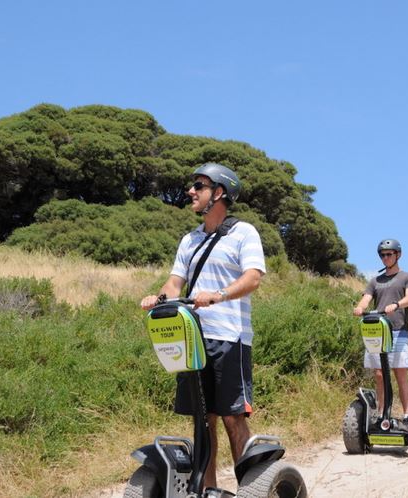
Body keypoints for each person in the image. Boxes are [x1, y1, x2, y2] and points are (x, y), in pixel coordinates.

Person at [140, 162, 266, 489]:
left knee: (232, 416)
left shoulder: (244, 232)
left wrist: (219, 295)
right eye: (192, 185)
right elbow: (174, 282)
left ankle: (248, 490)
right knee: (203, 419)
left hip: (230, 337)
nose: (191, 191)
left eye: (199, 185)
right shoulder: (190, 239)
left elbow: (253, 278)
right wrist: (159, 298)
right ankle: (209, 490)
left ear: (219, 192)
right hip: (192, 337)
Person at [353, 238, 408, 430]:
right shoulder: (375, 280)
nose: (385, 258)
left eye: (389, 254)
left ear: (398, 255)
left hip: (398, 330)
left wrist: (397, 305)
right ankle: (382, 413)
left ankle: (407, 415)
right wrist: (359, 307)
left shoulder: (407, 277)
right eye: (382, 255)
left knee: (400, 373)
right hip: (377, 331)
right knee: (380, 374)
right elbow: (366, 299)